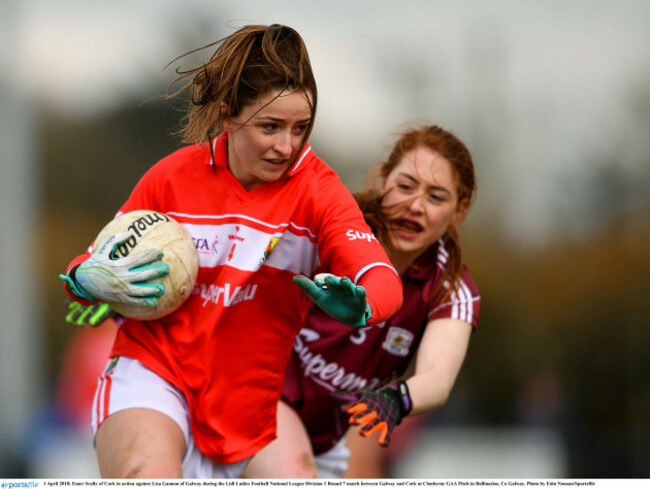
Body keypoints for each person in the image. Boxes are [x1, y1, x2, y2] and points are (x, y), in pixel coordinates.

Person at [58, 24, 403, 479]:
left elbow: (381, 279)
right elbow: (89, 267)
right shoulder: (171, 178)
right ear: (228, 115)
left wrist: (364, 307)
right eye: (270, 127)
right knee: (148, 474)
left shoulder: (319, 193)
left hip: (253, 402)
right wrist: (85, 280)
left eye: (301, 128)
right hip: (155, 375)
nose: (287, 146)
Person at [243, 124, 480, 478]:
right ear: (383, 182)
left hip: (323, 440)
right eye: (405, 186)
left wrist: (395, 399)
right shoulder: (335, 228)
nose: (415, 205)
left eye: (436, 197)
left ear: (458, 212)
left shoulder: (450, 287)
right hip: (254, 393)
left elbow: (437, 377)